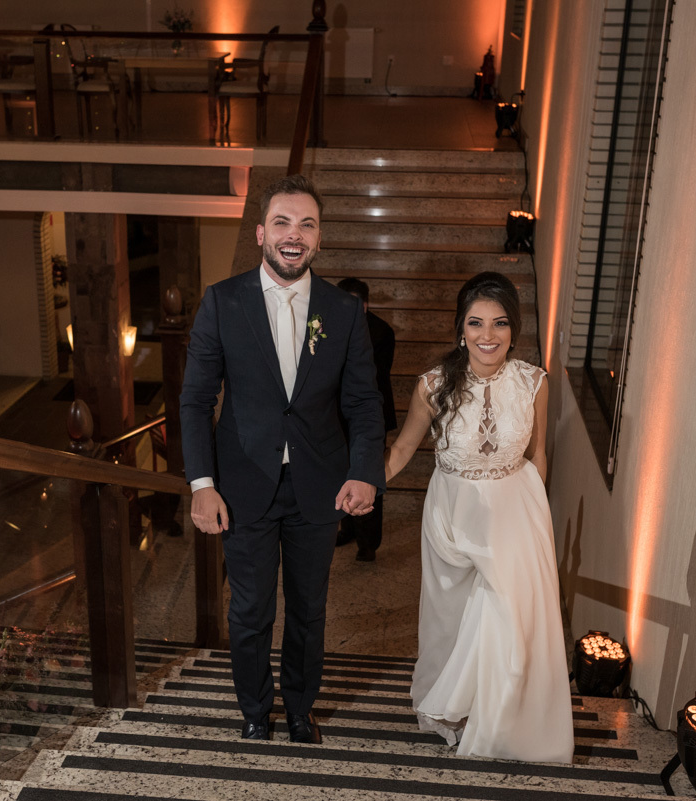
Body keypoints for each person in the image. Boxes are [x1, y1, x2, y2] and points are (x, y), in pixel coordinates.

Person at [181, 174, 385, 744]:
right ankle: (254, 710)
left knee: (309, 611)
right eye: (282, 223)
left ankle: (299, 707)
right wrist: (201, 483)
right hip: (242, 484)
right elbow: (196, 400)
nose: (293, 236)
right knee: (249, 613)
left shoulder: (343, 311)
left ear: (319, 238)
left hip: (319, 486)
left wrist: (365, 472)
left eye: (306, 225)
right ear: (260, 233)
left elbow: (365, 402)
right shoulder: (223, 301)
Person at [384, 271, 573, 762]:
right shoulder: (433, 385)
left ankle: (503, 724)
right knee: (454, 620)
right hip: (452, 513)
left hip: (516, 513)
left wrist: (533, 516)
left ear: (514, 329)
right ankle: (459, 705)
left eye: (500, 324)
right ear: (460, 329)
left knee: (509, 617)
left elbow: (539, 456)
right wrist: (362, 483)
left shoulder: (535, 382)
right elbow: (404, 446)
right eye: (476, 323)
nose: (488, 336)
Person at [334, 277, 396, 562]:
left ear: (365, 304)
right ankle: (346, 528)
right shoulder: (330, 329)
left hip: (370, 413)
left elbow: (375, 378)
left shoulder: (381, 332)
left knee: (368, 473)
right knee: (340, 473)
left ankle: (368, 542)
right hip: (335, 413)